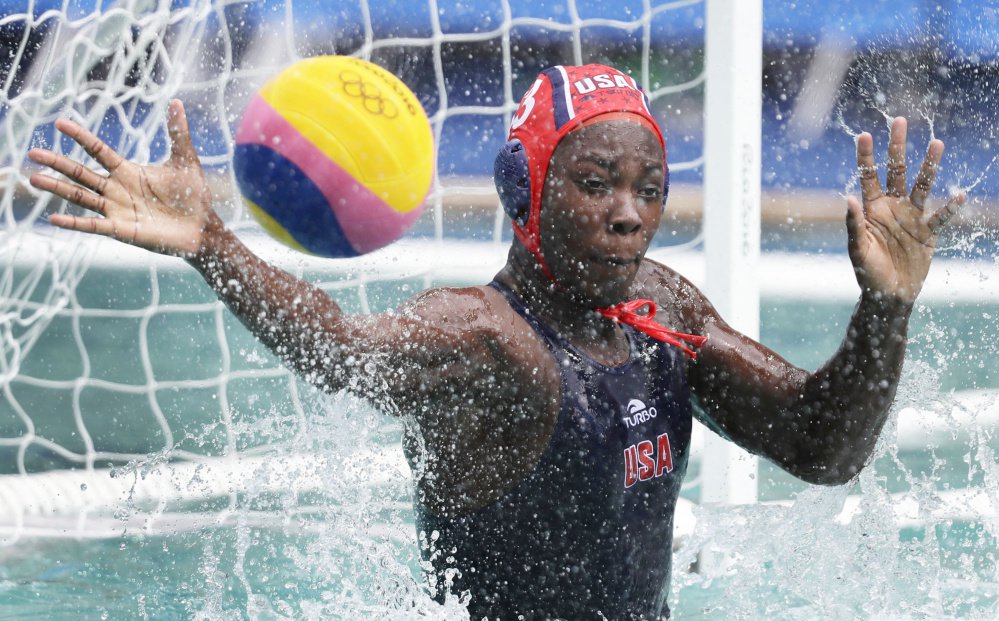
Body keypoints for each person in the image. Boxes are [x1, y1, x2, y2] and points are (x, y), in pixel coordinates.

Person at [28, 63, 963, 620]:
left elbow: (821, 446)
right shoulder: (480, 336)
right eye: (595, 183)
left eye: (648, 186)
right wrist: (212, 245)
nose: (628, 214)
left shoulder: (665, 311)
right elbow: (340, 347)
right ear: (525, 193)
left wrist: (885, 309)